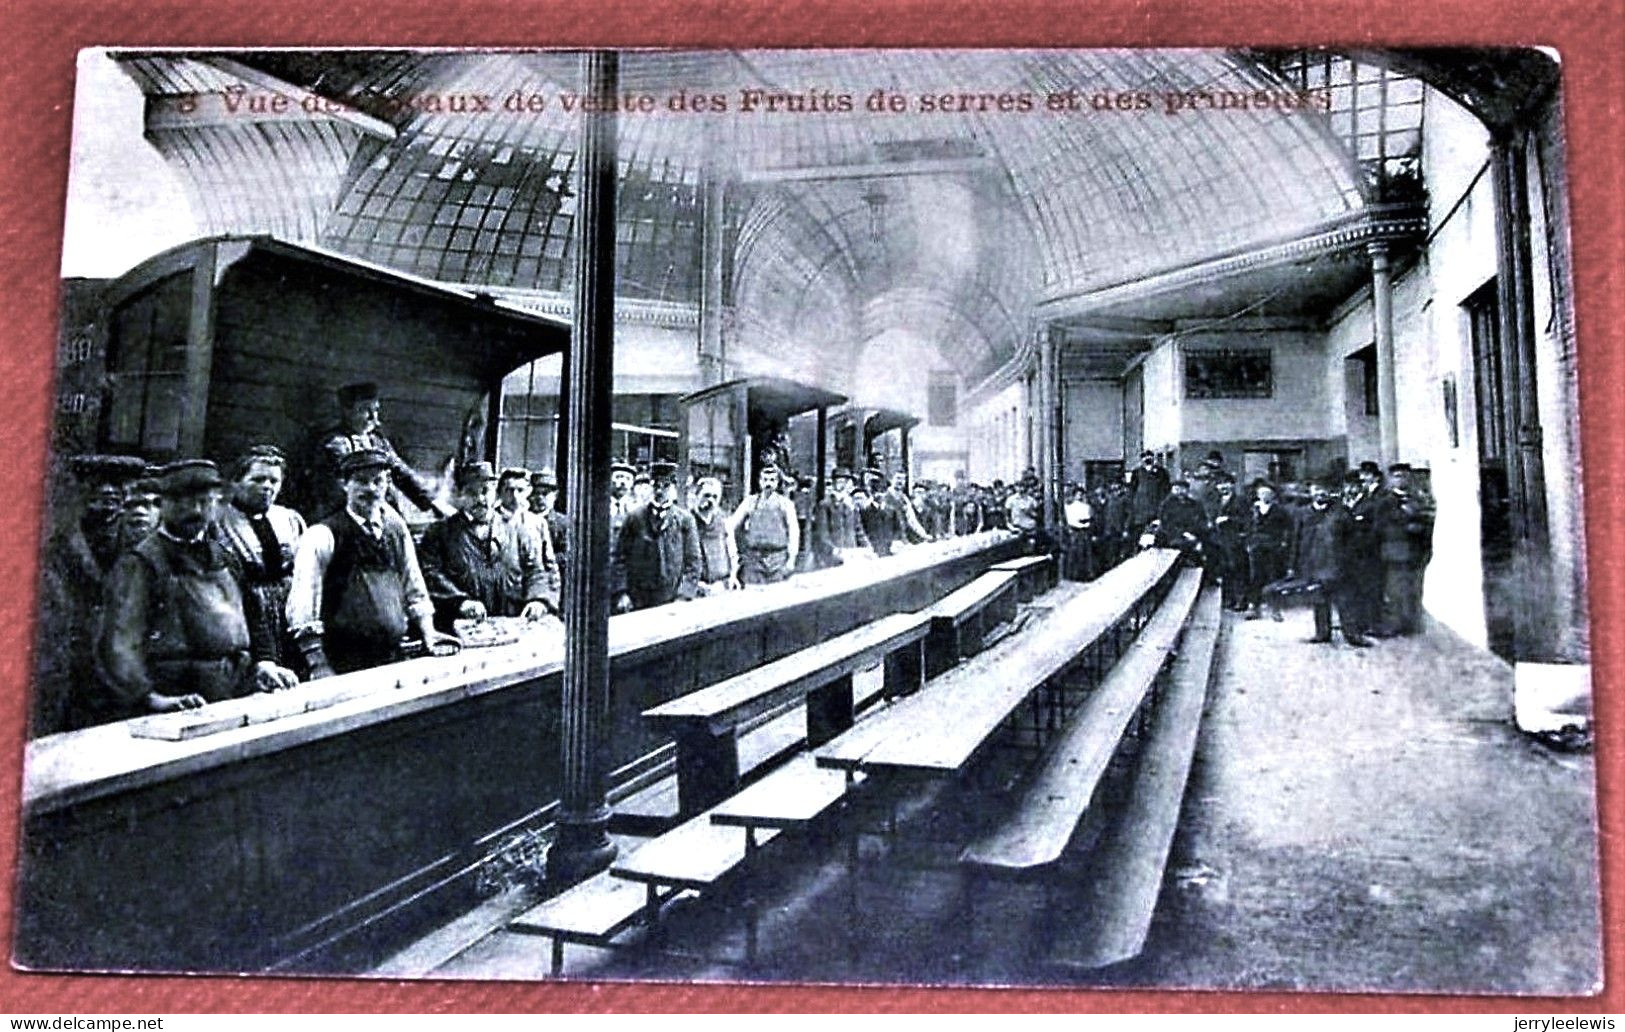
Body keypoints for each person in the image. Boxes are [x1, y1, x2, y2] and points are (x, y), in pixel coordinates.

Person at [94, 460, 299, 726]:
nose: (195, 511)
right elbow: (118, 641)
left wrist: (265, 662)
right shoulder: (142, 562)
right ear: (162, 505)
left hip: (233, 690)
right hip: (177, 698)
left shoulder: (224, 556)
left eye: (204, 502)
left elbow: (253, 615)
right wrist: (150, 697)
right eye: (184, 502)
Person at [287, 448, 458, 676]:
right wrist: (317, 662)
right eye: (361, 481)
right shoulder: (322, 535)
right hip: (341, 662)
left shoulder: (396, 530)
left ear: (387, 484)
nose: (371, 489)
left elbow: (413, 585)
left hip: (393, 656)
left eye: (378, 481)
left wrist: (429, 632)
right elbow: (303, 604)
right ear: (344, 484)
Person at [33, 454, 147, 736]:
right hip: (68, 673)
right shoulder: (56, 547)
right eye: (97, 485)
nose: (108, 492)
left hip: (123, 673)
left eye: (117, 486)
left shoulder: (142, 548)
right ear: (82, 491)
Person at [419, 462, 558, 632]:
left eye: (485, 491)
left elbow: (535, 570)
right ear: (460, 494)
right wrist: (460, 601)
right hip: (461, 627)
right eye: (472, 493)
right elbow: (430, 573)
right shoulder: (440, 532)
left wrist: (538, 600)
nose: (480, 499)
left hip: (512, 626)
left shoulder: (517, 529)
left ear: (495, 493)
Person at [213, 445, 307, 671]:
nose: (267, 487)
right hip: (244, 609)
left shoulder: (289, 518)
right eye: (258, 479)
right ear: (236, 481)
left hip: (289, 609)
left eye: (274, 481)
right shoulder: (218, 520)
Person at [307, 381, 447, 520]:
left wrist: (432, 501)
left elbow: (401, 471)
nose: (373, 417)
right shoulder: (334, 443)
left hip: (381, 513)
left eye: (375, 410)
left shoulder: (378, 441)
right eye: (365, 410)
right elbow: (341, 492)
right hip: (349, 518)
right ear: (347, 411)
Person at [1262, 480, 1370, 646]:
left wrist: (1349, 561)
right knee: (1319, 599)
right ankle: (1322, 633)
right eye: (1317, 489)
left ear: (1331, 491)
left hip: (1337, 564)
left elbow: (1353, 540)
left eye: (1325, 489)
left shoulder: (1341, 512)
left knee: (1344, 600)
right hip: (1312, 563)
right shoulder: (1302, 513)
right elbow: (1295, 540)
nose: (1320, 493)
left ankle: (1352, 635)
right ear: (1311, 491)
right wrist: (1292, 565)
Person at [614, 460, 702, 611]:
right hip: (638, 599)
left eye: (665, 486)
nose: (660, 492)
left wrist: (684, 596)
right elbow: (620, 558)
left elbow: (693, 562)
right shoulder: (635, 518)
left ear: (674, 489)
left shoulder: (684, 520)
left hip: (673, 599)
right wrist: (622, 592)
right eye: (656, 486)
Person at [1375, 462, 1436, 636]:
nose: (1401, 480)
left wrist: (1419, 527)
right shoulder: (1384, 502)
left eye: (1404, 476)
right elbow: (1379, 527)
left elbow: (1429, 520)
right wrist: (1405, 526)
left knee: (1414, 588)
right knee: (1395, 590)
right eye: (1397, 476)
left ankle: (1412, 624)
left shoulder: (1418, 499)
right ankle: (1396, 624)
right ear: (1391, 480)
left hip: (1415, 551)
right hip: (1393, 552)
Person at [494, 465, 561, 610]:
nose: (515, 496)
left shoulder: (537, 523)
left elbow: (549, 566)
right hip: (496, 599)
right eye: (509, 490)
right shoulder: (490, 520)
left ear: (528, 492)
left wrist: (544, 601)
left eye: (520, 490)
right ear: (499, 493)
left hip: (530, 599)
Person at [729, 463, 800, 584]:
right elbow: (731, 526)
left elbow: (794, 532)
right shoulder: (750, 502)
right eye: (765, 479)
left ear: (777, 482)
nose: (768, 483)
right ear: (760, 481)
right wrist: (736, 555)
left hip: (778, 559)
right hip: (753, 560)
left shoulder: (785, 504)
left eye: (772, 480)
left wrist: (791, 559)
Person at [1345, 460, 1387, 639]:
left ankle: (1375, 624)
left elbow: (1377, 526)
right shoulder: (1363, 495)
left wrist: (1366, 542)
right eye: (1361, 474)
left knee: (1373, 587)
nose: (1362, 478)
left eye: (1366, 474)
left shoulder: (1381, 496)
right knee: (1361, 587)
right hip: (1358, 549)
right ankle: (1363, 622)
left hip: (1371, 549)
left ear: (1375, 476)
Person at [1244, 480, 1294, 619]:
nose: (1264, 496)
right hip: (1256, 546)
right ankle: (1254, 606)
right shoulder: (1253, 510)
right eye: (1261, 493)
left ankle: (1275, 609)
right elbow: (1247, 528)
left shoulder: (1280, 511)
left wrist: (1283, 544)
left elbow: (1288, 529)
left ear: (1273, 496)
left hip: (1273, 546)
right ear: (1258, 495)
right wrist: (1249, 543)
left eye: (1268, 493)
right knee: (1255, 577)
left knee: (1273, 577)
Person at [1204, 474, 1249, 610]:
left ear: (1233, 485)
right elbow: (1210, 516)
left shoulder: (1241, 500)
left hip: (1235, 539)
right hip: (1219, 540)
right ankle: (1228, 599)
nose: (1223, 486)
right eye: (1220, 484)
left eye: (1226, 483)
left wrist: (1229, 519)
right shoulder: (1215, 501)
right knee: (1224, 570)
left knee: (1238, 569)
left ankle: (1241, 600)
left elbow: (1247, 520)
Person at [688, 475, 739, 595]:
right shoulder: (687, 523)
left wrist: (732, 577)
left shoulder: (724, 522)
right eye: (706, 495)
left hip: (722, 587)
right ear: (696, 496)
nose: (710, 500)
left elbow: (732, 554)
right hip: (696, 589)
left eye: (715, 497)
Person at [530, 467, 570, 577]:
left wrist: (543, 559)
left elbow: (567, 554)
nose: (539, 498)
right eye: (535, 493)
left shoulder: (562, 523)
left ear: (555, 495)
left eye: (545, 494)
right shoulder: (522, 518)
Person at [1157, 477, 1209, 561]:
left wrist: (1192, 533)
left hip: (1192, 536)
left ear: (1187, 490)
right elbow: (1165, 523)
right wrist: (1181, 534)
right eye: (1177, 489)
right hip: (1172, 537)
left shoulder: (1195, 505)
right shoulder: (1167, 505)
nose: (1180, 492)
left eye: (1183, 489)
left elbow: (1201, 521)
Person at [1128, 450, 1171, 537]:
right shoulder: (1136, 473)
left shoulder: (1162, 472)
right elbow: (1132, 491)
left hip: (1156, 510)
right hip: (1140, 512)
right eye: (1144, 457)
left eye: (1149, 456)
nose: (1147, 459)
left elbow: (1166, 491)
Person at [1063, 484, 1094, 580]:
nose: (1079, 496)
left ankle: (1086, 575)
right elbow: (1071, 520)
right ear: (1074, 495)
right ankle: (1074, 575)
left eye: (1081, 494)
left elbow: (1088, 518)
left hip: (1084, 531)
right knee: (1075, 553)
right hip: (1075, 530)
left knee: (1086, 553)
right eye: (1078, 494)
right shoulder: (1070, 507)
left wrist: (1085, 521)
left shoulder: (1086, 506)